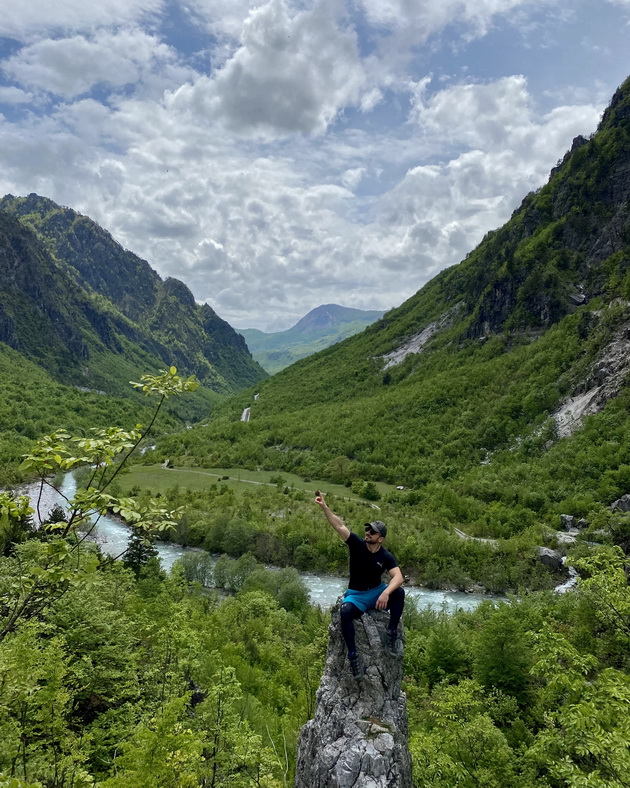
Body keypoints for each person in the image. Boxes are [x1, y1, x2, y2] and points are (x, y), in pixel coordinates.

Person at [315, 491, 405, 678]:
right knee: (345, 612)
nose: (367, 533)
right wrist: (324, 507)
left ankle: (391, 633)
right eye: (367, 530)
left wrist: (386, 592)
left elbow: (398, 577)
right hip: (356, 594)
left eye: (372, 532)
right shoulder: (356, 544)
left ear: (380, 538)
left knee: (399, 593)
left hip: (376, 591)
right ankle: (353, 656)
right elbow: (339, 526)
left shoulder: (385, 556)